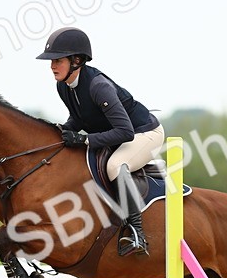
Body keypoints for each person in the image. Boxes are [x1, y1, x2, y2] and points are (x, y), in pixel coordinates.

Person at [36, 27, 163, 255]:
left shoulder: (98, 86)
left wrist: (84, 140)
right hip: (116, 134)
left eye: (58, 60)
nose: (52, 66)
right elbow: (80, 116)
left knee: (115, 166)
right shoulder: (63, 86)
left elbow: (125, 132)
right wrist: (62, 132)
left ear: (76, 60)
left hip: (144, 133)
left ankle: (136, 233)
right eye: (51, 61)